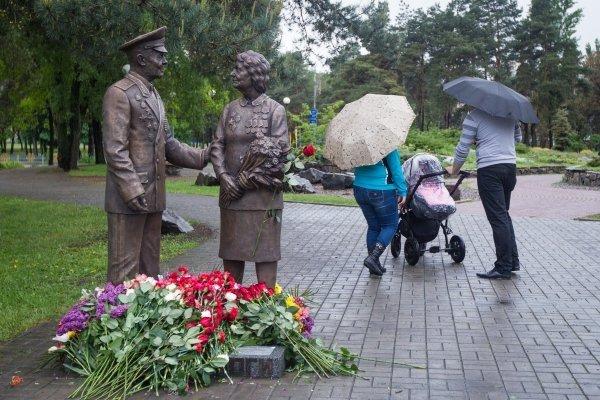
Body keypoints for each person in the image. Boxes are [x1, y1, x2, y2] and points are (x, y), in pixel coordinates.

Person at [102, 27, 211, 283]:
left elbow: (169, 144)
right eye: (159, 55)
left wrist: (204, 156)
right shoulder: (119, 93)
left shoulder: (153, 95)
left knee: (149, 270)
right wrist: (132, 189)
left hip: (153, 197)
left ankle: (145, 321)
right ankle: (118, 319)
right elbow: (114, 149)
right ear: (140, 59)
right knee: (124, 271)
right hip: (129, 198)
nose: (165, 60)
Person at [211, 50, 290, 288]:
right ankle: (230, 311)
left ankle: (265, 314)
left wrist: (250, 179)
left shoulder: (275, 110)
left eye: (239, 69)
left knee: (265, 254)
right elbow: (217, 145)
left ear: (254, 74)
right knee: (232, 256)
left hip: (263, 199)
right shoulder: (229, 109)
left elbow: (279, 152)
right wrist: (224, 177)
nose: (234, 74)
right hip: (231, 197)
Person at [450, 108, 522, 280]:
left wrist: (455, 169)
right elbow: (518, 138)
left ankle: (503, 267)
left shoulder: (473, 116)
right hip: (509, 168)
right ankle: (512, 262)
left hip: (489, 170)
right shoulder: (511, 114)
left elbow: (463, 148)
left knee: (498, 218)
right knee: (503, 214)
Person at [353, 149, 408, 276]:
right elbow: (396, 170)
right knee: (390, 226)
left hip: (359, 188)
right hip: (381, 190)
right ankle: (373, 258)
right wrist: (402, 191)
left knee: (374, 227)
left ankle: (374, 264)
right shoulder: (386, 144)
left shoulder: (357, 144)